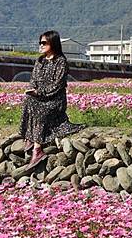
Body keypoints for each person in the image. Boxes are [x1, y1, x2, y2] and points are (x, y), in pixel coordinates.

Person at [19, 30, 86, 167]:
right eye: (40, 43)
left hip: (55, 100)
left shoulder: (61, 62)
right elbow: (33, 80)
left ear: (53, 43)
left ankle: (37, 148)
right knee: (28, 100)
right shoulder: (40, 61)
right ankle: (30, 137)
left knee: (40, 108)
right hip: (40, 96)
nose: (41, 45)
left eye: (44, 43)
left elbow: (58, 85)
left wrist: (40, 92)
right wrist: (33, 91)